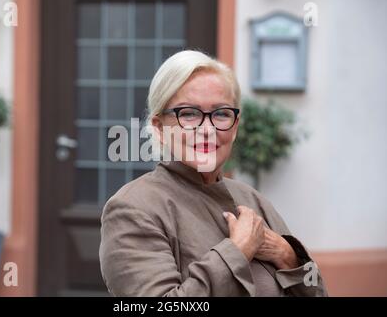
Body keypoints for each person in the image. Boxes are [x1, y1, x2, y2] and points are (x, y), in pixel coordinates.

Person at [99, 50, 327, 296]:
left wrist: (287, 255)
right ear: (159, 128)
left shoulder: (254, 201)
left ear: (235, 127)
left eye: (221, 114)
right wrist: (237, 251)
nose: (207, 129)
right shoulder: (133, 209)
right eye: (188, 114)